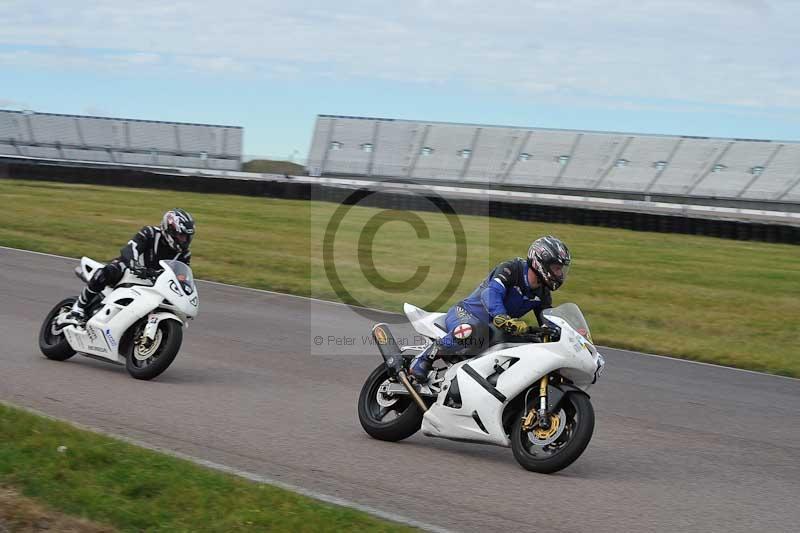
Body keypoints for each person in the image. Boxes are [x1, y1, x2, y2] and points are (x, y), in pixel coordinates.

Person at [409, 235, 571, 382]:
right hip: (466, 314)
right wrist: (502, 316)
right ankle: (424, 358)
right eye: (556, 268)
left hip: (495, 328)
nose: (560, 274)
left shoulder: (542, 292)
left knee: (529, 344)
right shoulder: (511, 269)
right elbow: (492, 293)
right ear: (540, 262)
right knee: (475, 330)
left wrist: (567, 334)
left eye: (561, 269)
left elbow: (547, 319)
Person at [61, 209, 196, 326]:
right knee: (112, 270)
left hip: (153, 284)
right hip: (131, 271)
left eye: (187, 237)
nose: (184, 240)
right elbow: (131, 248)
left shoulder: (184, 254)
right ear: (169, 230)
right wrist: (134, 264)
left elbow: (181, 275)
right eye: (181, 236)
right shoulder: (150, 233)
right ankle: (77, 308)